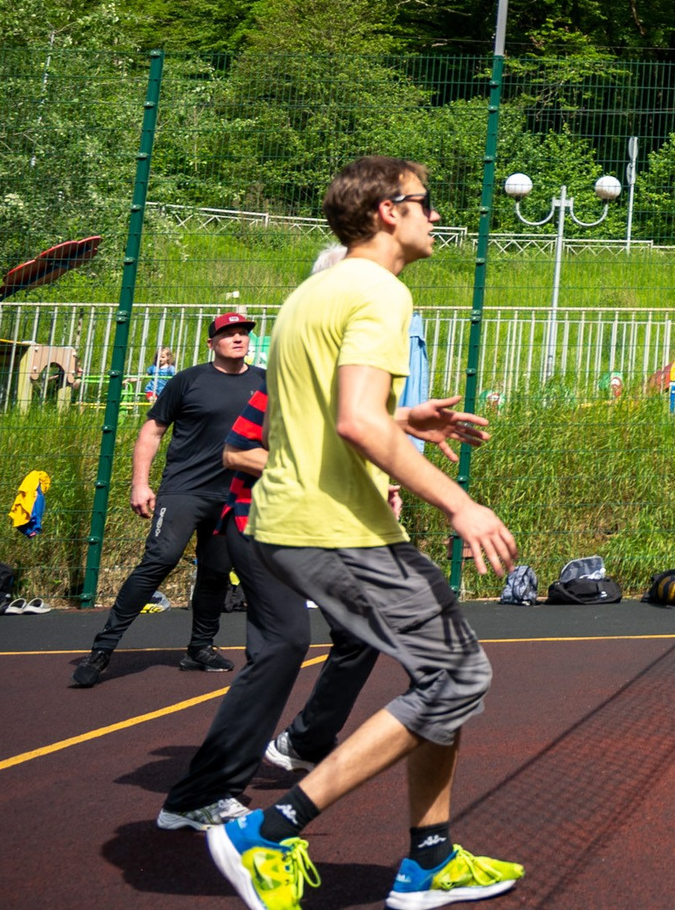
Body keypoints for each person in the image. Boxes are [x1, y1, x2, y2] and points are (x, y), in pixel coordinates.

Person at [207, 156, 525, 909]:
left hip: (301, 519)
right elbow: (352, 422)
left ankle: (430, 857)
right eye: (424, 203)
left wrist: (407, 420)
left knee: (442, 670)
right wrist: (459, 503)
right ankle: (268, 831)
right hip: (333, 524)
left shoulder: (312, 292)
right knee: (459, 676)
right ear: (389, 210)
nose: (435, 216)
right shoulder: (383, 290)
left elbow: (324, 413)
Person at [159, 325, 482, 833]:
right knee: (284, 643)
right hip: (262, 524)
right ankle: (198, 795)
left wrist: (386, 475)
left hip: (319, 531)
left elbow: (347, 427)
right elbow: (237, 452)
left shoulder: (354, 384)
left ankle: (304, 742)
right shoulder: (296, 377)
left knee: (359, 633)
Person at [72, 312, 259, 689]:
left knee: (216, 574)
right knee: (159, 561)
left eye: (242, 333)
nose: (237, 339)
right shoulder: (188, 381)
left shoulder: (265, 383)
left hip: (234, 497)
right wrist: (139, 483)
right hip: (184, 491)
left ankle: (199, 649)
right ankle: (103, 650)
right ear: (211, 344)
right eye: (228, 334)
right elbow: (152, 431)